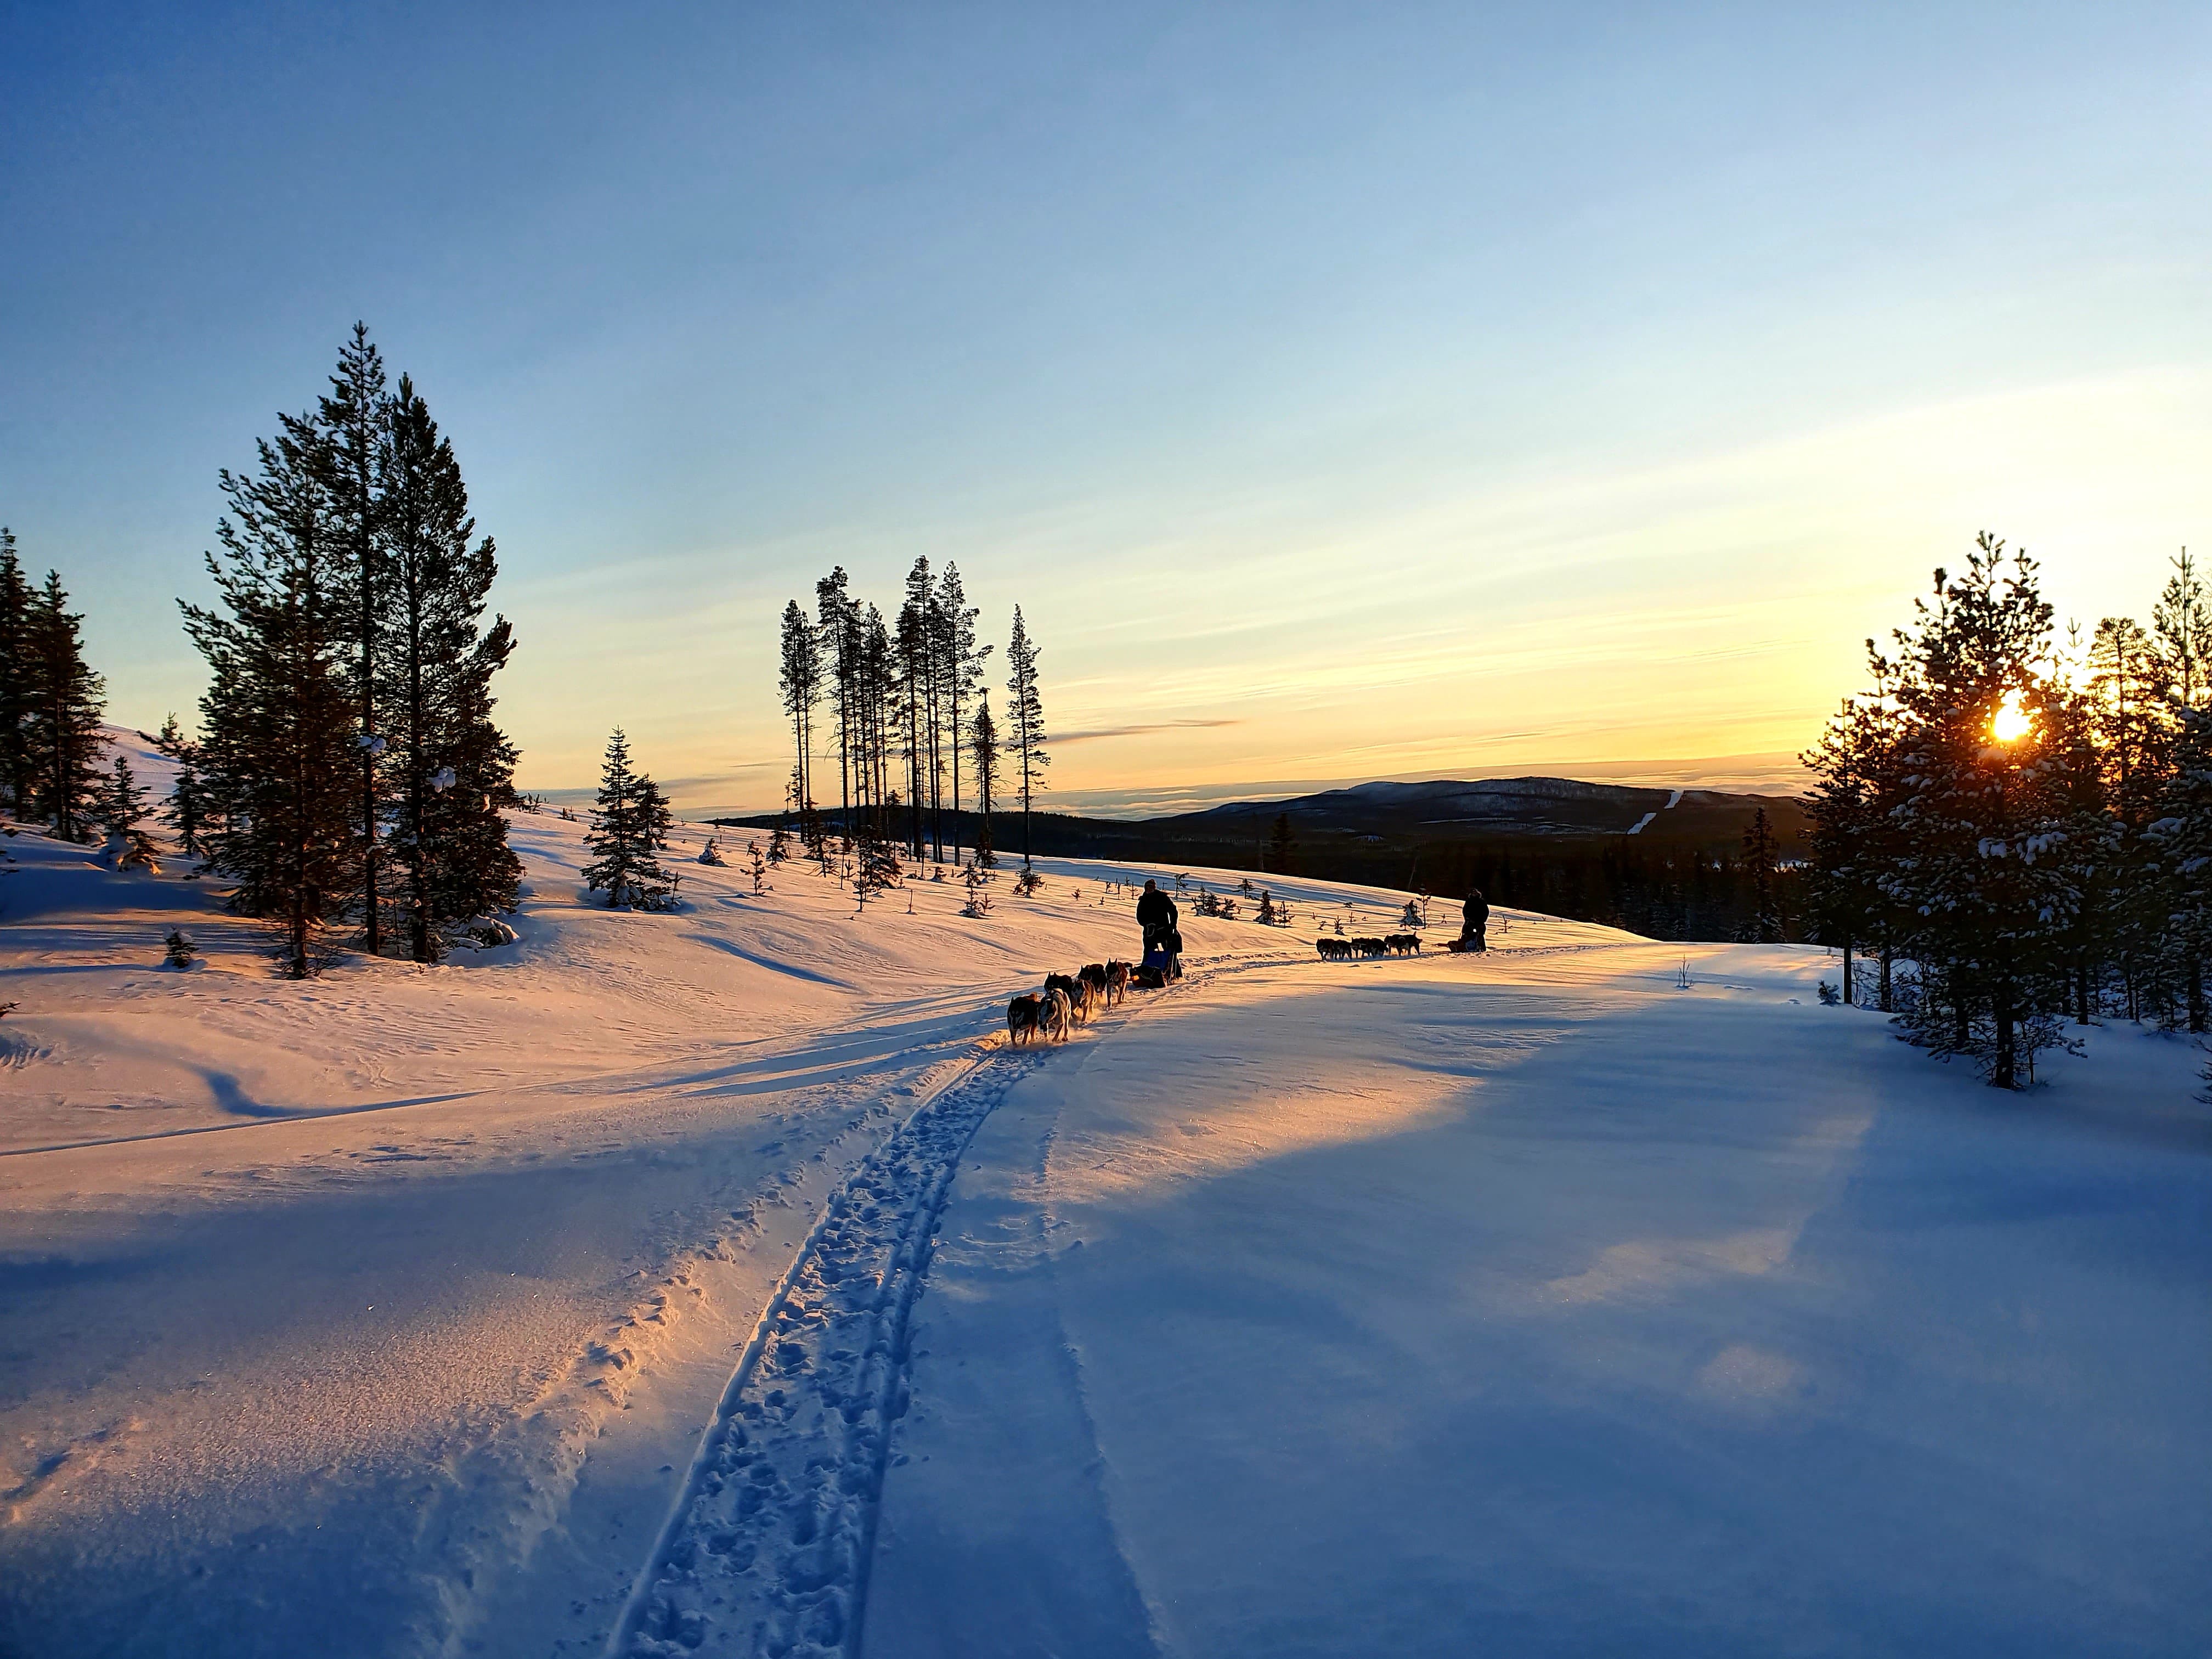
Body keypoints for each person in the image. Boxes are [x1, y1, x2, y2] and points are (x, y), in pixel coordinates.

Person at [1137, 877, 1182, 980]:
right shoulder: (1143, 900)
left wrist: (1173, 925)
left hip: (1164, 930)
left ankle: (1176, 974)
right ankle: (1145, 974)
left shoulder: (1162, 898)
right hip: (1150, 931)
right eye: (1147, 887)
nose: (1149, 889)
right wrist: (1146, 924)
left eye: (1151, 887)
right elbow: (1139, 916)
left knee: (1169, 953)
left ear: (1154, 888)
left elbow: (1173, 910)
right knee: (1148, 953)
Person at [1460, 887, 1489, 952]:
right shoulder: (1469, 901)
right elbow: (1465, 911)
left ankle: (1482, 948)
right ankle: (1464, 946)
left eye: (1475, 893)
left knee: (1480, 935)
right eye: (1473, 893)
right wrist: (1467, 918)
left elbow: (1486, 912)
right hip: (1470, 921)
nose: (1474, 894)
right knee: (1466, 933)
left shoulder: (1482, 901)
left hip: (1479, 922)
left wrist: (1483, 920)